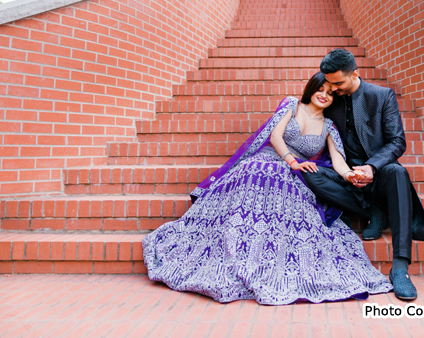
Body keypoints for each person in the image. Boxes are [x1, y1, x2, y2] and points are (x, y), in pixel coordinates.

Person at [142, 72, 393, 305]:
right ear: (311, 89)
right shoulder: (292, 105)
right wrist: (291, 160)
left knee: (287, 188)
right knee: (259, 172)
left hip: (293, 173)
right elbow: (275, 136)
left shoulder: (329, 127)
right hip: (270, 160)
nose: (324, 94)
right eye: (320, 88)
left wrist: (351, 176)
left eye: (330, 92)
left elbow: (338, 160)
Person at [302, 49, 424, 301]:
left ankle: (401, 268)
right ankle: (371, 211)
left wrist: (371, 167)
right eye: (330, 83)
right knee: (311, 174)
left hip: (378, 172)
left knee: (397, 171)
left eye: (338, 83)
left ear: (355, 74)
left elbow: (397, 142)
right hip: (345, 173)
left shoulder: (381, 96)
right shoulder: (331, 97)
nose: (333, 89)